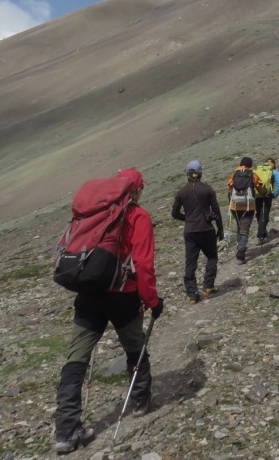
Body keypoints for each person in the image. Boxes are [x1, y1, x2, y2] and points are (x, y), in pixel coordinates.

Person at [54, 168, 163, 455]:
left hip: (88, 295)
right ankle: (139, 402)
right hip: (123, 297)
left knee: (76, 360)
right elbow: (144, 265)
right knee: (135, 347)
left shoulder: (92, 214)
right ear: (136, 189)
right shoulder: (138, 216)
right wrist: (153, 301)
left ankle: (66, 431)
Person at [171, 160, 224, 303]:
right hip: (206, 229)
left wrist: (188, 219)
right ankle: (208, 286)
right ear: (201, 173)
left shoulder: (181, 192)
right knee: (212, 257)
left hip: (190, 231)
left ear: (187, 174)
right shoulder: (208, 189)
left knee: (190, 263)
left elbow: (174, 213)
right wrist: (220, 229)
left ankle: (192, 295)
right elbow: (216, 210)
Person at [227, 157, 262, 264]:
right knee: (244, 229)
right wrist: (265, 192)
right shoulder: (253, 175)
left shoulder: (234, 174)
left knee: (239, 227)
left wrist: (231, 202)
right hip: (248, 206)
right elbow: (259, 187)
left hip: (235, 206)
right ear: (250, 165)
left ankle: (240, 246)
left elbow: (229, 189)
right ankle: (241, 254)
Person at [254, 157, 279, 243]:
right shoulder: (273, 171)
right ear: (274, 165)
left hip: (257, 195)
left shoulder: (257, 170)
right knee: (265, 214)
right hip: (267, 195)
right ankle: (261, 235)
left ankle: (262, 231)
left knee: (259, 214)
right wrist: (274, 194)